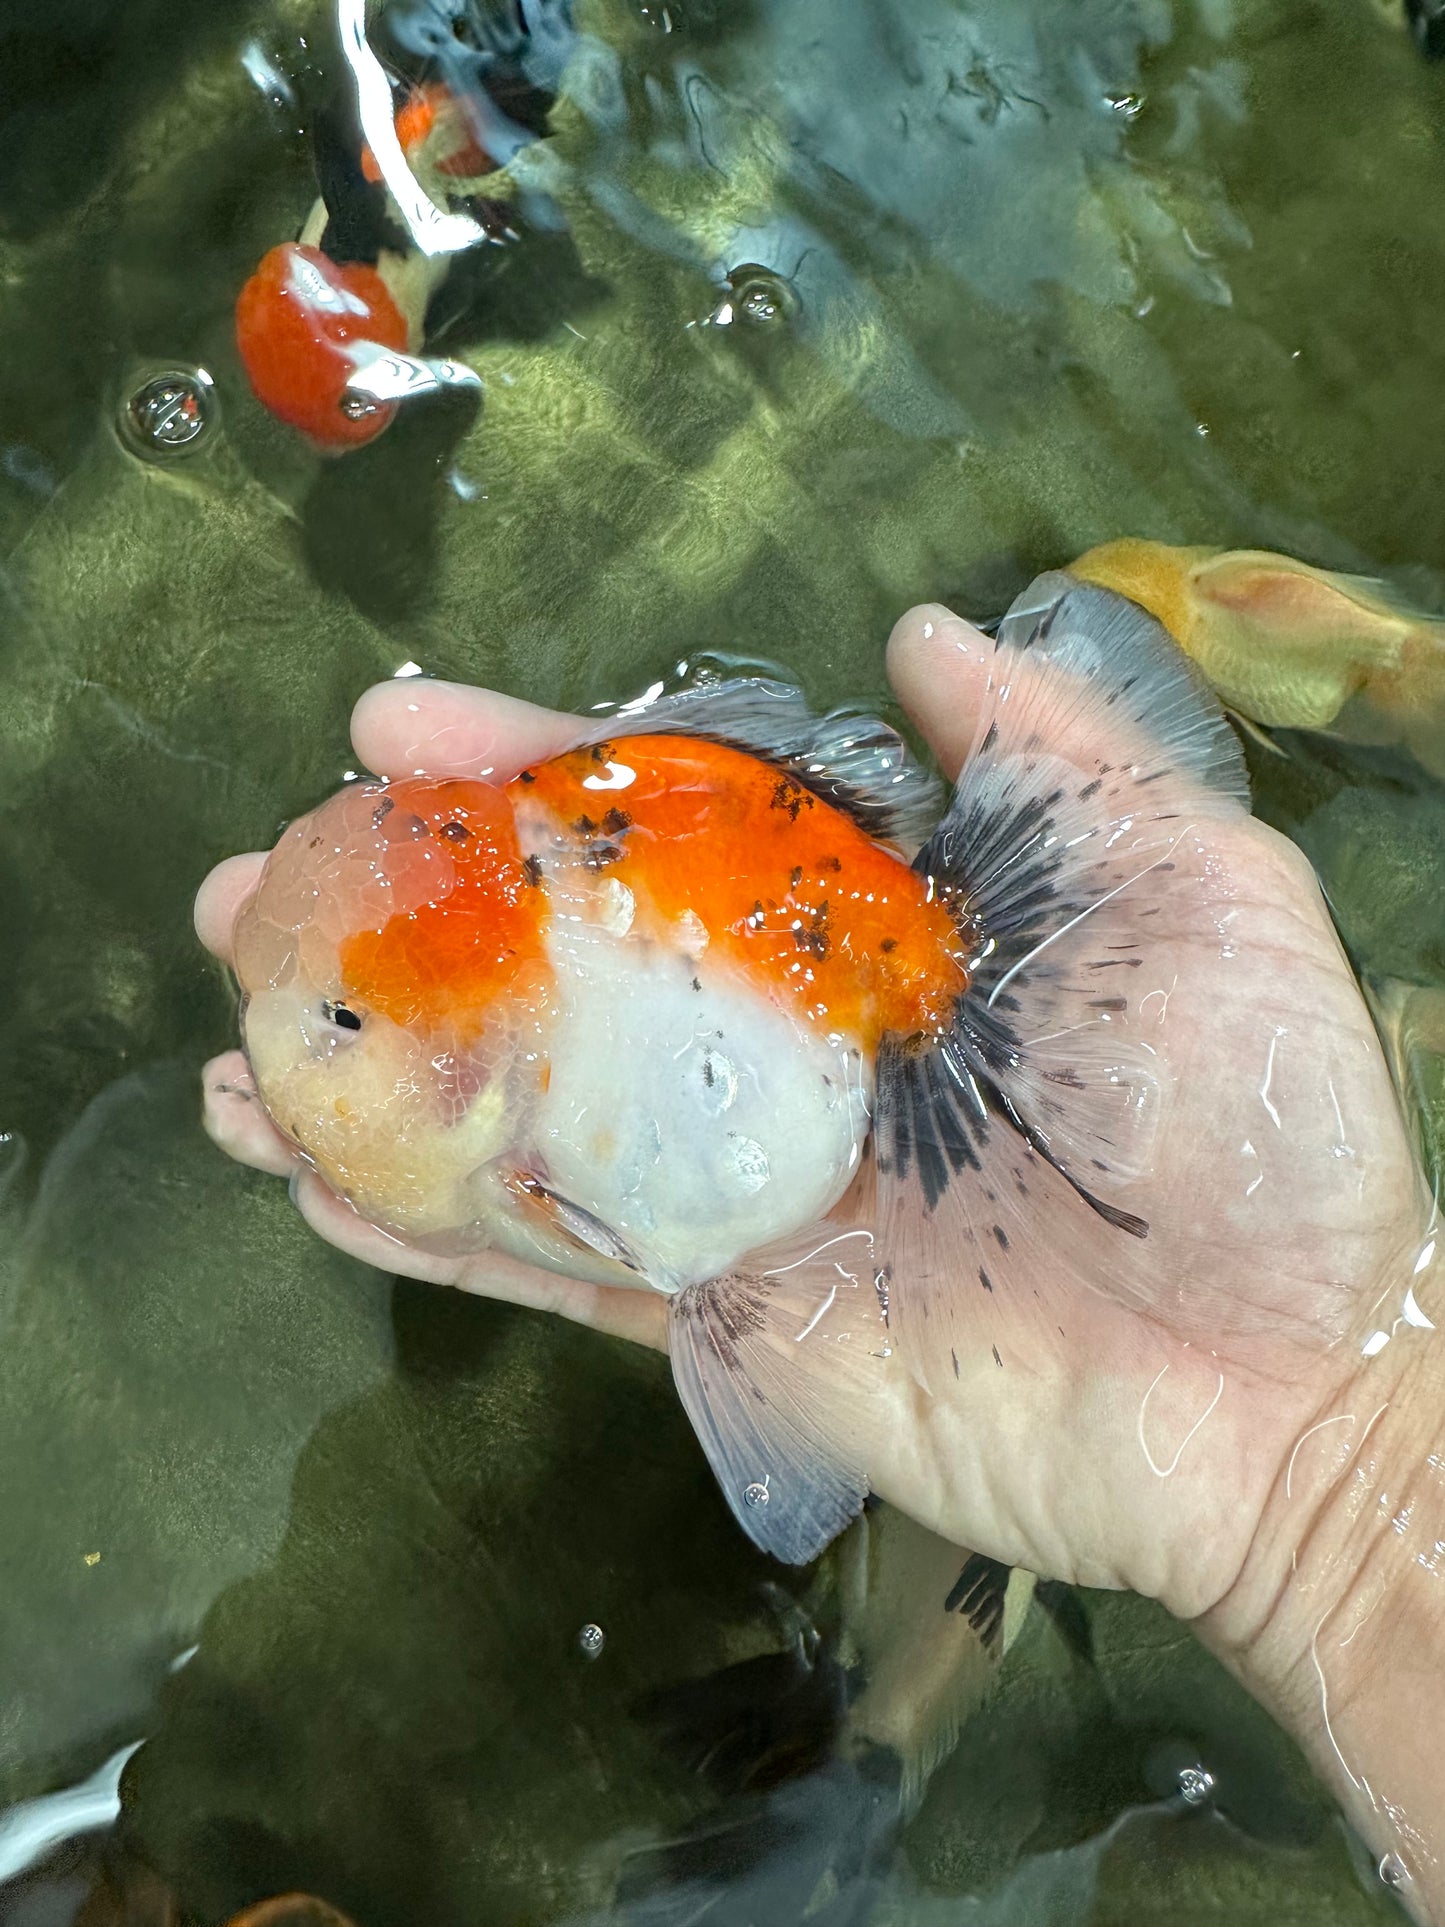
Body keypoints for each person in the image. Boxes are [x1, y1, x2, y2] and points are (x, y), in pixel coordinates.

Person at [195, 599, 1445, 1920]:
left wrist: (1339, 1469)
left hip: (817, 994)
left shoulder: (536, 1116)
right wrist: (1334, 1497)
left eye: (337, 1020)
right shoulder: (515, 994)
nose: (300, 1041)